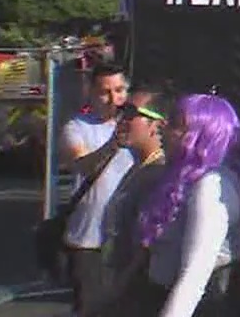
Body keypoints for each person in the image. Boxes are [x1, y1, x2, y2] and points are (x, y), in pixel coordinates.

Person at [134, 94, 240, 317]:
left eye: (175, 124)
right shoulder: (183, 180)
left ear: (200, 136)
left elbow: (194, 275)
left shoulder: (211, 186)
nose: (162, 127)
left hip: (209, 307)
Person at [60, 63, 137, 316]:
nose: (114, 99)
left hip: (127, 236)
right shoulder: (77, 127)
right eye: (105, 92)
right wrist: (113, 144)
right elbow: (82, 165)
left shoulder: (138, 126)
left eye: (119, 90)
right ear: (91, 93)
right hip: (89, 239)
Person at [97, 90, 172, 315]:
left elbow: (147, 244)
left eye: (131, 113)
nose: (122, 120)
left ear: (156, 125)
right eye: (121, 113)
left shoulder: (159, 175)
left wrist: (118, 290)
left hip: (138, 296)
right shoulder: (138, 168)